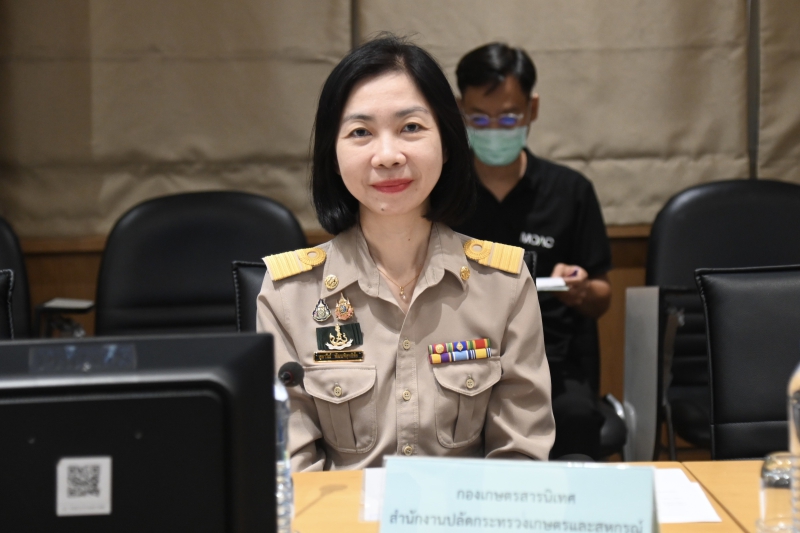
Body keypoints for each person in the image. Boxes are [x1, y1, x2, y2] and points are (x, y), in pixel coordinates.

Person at [256, 35, 555, 472]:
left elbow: (520, 458)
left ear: (448, 143)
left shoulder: (504, 284)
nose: (388, 156)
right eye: (360, 132)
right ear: (333, 156)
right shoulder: (290, 294)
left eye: (411, 127)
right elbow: (292, 470)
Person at [454, 43, 612, 460]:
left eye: (508, 118)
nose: (494, 129)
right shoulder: (442, 194)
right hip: (461, 360)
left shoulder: (570, 191)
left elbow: (602, 295)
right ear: (460, 110)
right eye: (479, 118)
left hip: (551, 360)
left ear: (532, 109)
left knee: (576, 419)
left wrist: (580, 289)